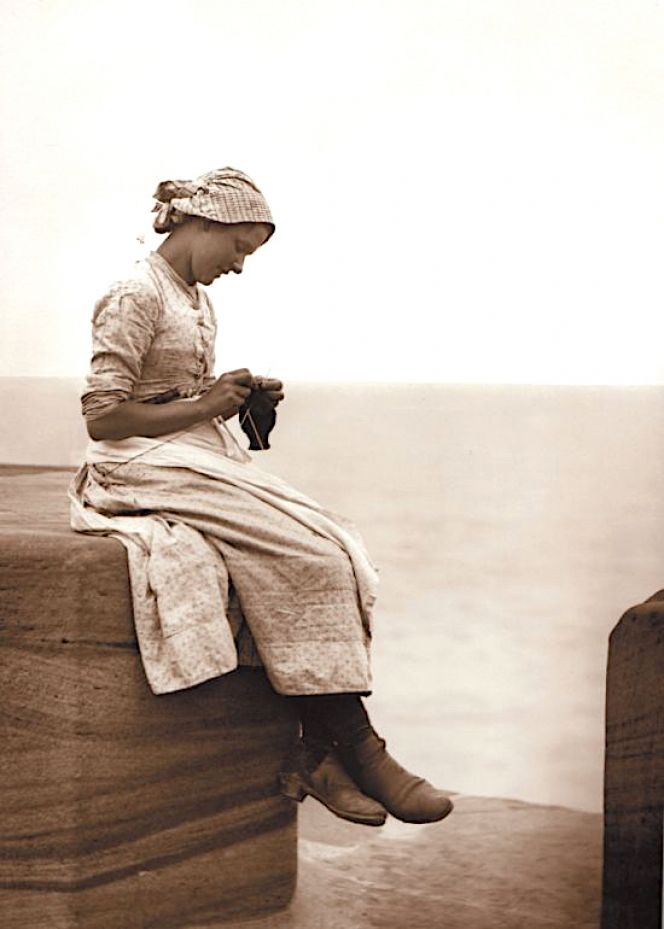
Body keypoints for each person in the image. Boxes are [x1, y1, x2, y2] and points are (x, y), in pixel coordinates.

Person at [70, 167, 453, 828]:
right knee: (306, 554)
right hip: (132, 465)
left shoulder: (193, 296)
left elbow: (176, 399)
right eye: (240, 247)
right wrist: (208, 403)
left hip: (185, 453)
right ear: (203, 223)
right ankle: (357, 749)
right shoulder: (135, 291)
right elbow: (103, 418)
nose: (242, 265)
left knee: (334, 542)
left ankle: (325, 747)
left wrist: (237, 401)